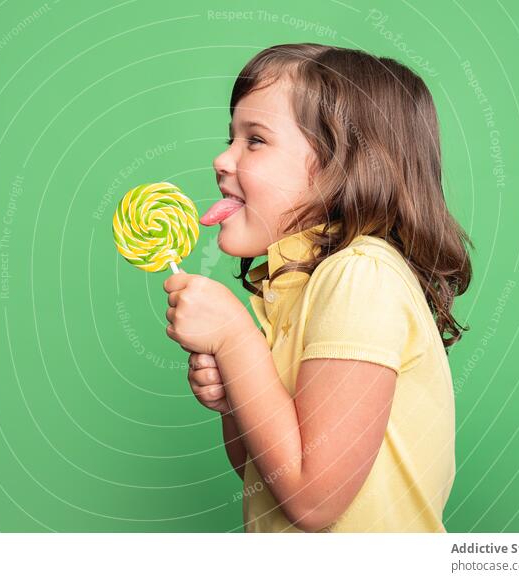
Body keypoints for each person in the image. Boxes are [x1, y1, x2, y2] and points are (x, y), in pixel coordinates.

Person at [163, 43, 473, 533]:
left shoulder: (361, 275)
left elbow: (312, 498)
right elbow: (262, 470)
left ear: (341, 168)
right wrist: (234, 395)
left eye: (255, 140)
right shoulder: (291, 287)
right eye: (231, 137)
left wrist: (233, 339)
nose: (222, 159)